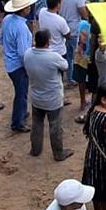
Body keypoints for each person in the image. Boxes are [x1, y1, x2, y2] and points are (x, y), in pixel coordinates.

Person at [25, 29, 74, 161]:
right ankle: (58, 153)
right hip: (52, 98)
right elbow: (66, 66)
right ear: (47, 42)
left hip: (36, 96)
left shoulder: (28, 54)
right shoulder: (53, 56)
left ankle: (35, 149)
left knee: (37, 124)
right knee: (55, 126)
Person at [1, 0, 36, 133]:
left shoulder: (7, 19)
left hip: (10, 62)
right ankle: (17, 122)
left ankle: (21, 113)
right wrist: (28, 65)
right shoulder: (21, 27)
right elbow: (23, 52)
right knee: (21, 93)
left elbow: (1, 38)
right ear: (24, 9)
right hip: (18, 65)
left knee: (20, 92)